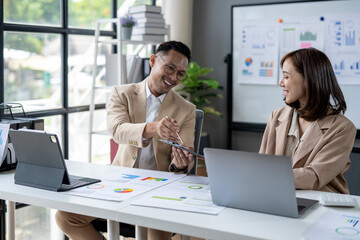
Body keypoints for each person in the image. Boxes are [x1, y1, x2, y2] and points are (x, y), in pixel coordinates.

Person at [56, 41, 196, 240]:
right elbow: (117, 131)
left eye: (180, 74)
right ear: (154, 60)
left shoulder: (186, 109)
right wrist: (153, 128)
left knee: (158, 234)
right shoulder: (122, 93)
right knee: (66, 217)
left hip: (159, 190)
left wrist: (180, 165)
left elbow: (183, 153)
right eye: (170, 68)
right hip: (119, 184)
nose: (173, 77)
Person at [259, 48, 356, 194]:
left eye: (286, 77)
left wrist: (263, 176)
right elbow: (262, 165)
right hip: (278, 196)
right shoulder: (277, 116)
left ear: (309, 79)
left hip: (322, 205)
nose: (281, 83)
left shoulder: (343, 128)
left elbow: (315, 177)